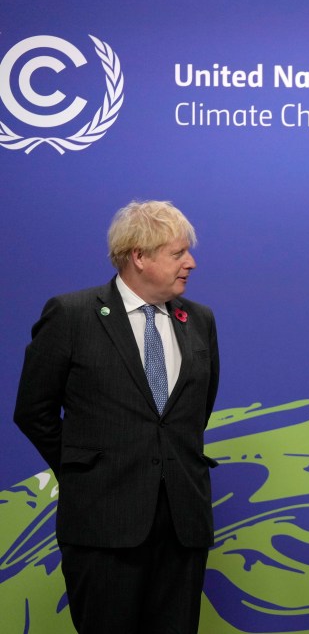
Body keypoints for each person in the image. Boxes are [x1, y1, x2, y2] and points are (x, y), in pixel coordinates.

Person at [14, 200, 220, 634]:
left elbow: (193, 413)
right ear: (139, 257)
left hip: (182, 526)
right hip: (102, 524)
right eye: (179, 253)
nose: (192, 263)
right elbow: (34, 411)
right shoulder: (72, 315)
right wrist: (86, 470)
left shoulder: (199, 320)